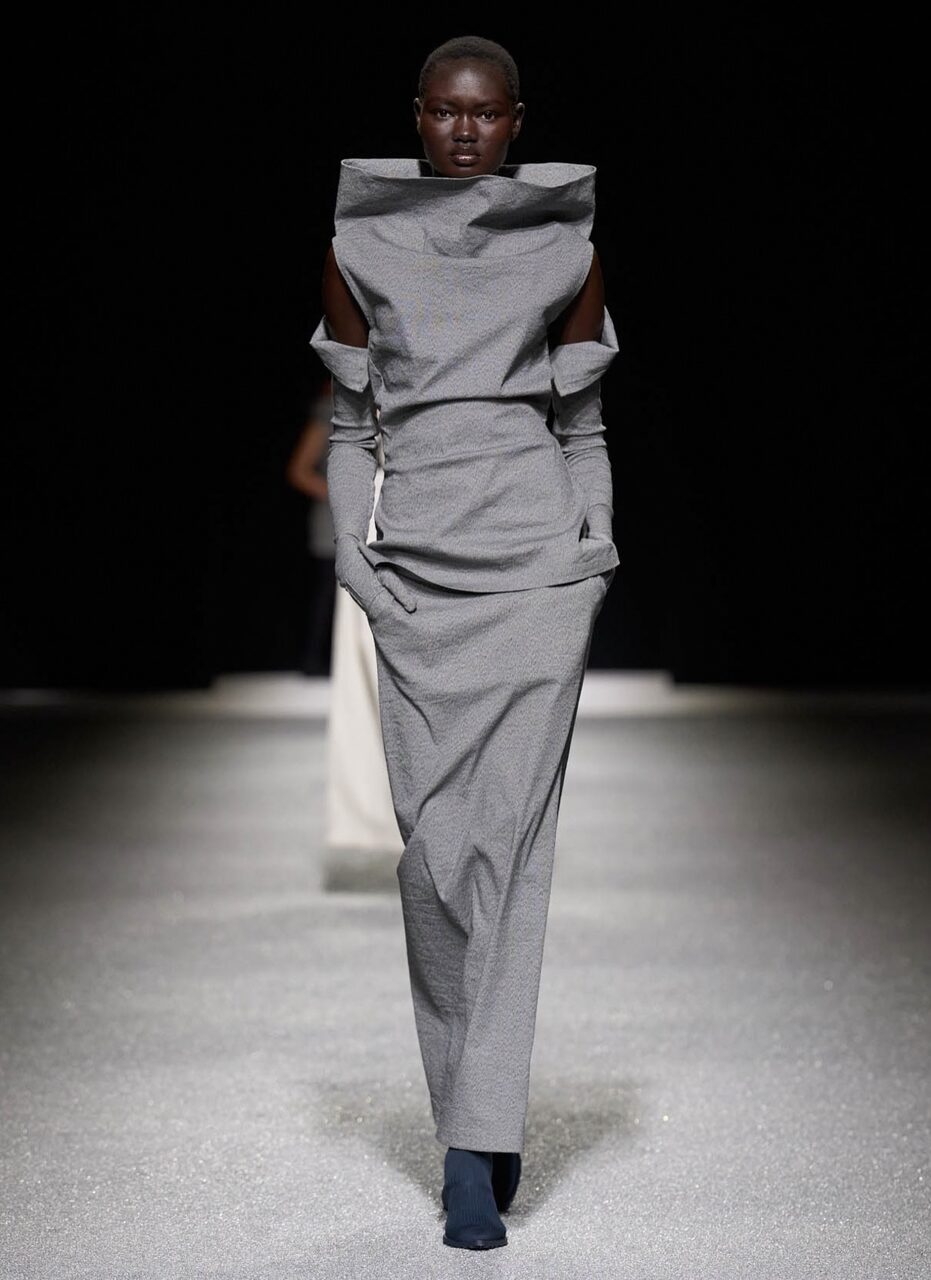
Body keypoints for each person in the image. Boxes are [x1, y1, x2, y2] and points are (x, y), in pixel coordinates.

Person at [309, 35, 619, 1251]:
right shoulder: (358, 246)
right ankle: (476, 1109)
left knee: (511, 852)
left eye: (485, 114)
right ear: (418, 115)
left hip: (537, 573)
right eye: (444, 111)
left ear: (517, 121)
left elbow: (583, 422)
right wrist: (356, 560)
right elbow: (350, 422)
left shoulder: (566, 248)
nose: (464, 131)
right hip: (418, 578)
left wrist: (593, 551)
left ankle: (467, 1149)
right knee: (435, 859)